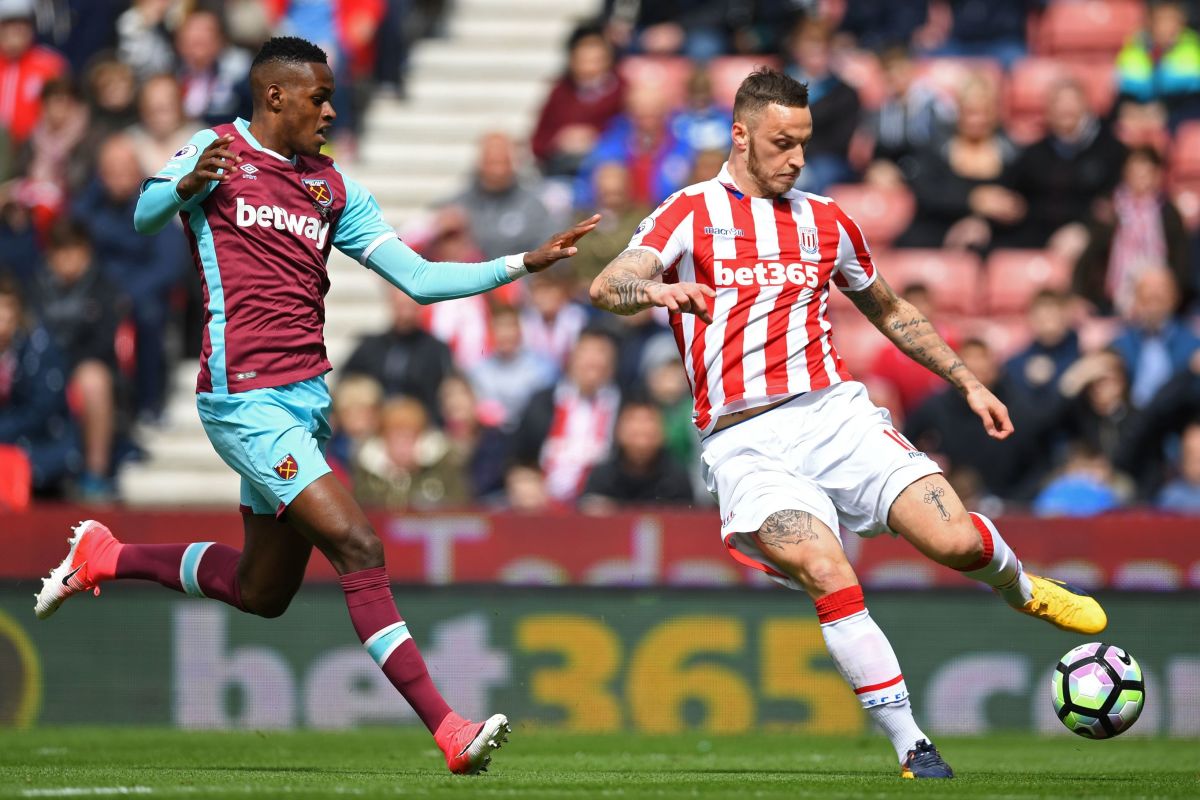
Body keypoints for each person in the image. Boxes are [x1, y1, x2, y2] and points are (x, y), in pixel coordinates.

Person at [33, 35, 598, 776]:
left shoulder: (332, 188)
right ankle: (449, 729)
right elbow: (142, 213)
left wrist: (523, 262)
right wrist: (183, 184)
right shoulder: (218, 150)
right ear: (276, 95)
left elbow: (419, 280)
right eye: (320, 97)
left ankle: (108, 555)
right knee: (359, 548)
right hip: (243, 401)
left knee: (261, 591)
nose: (331, 110)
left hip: (301, 407)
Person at [588, 67, 1107, 780]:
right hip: (744, 440)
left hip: (834, 415)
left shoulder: (826, 220)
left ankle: (1023, 589)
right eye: (781, 143)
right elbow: (607, 283)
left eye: (803, 142)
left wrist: (967, 381)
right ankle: (913, 747)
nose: (796, 157)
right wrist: (655, 287)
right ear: (739, 137)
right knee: (826, 567)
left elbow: (889, 309)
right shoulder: (690, 212)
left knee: (954, 539)